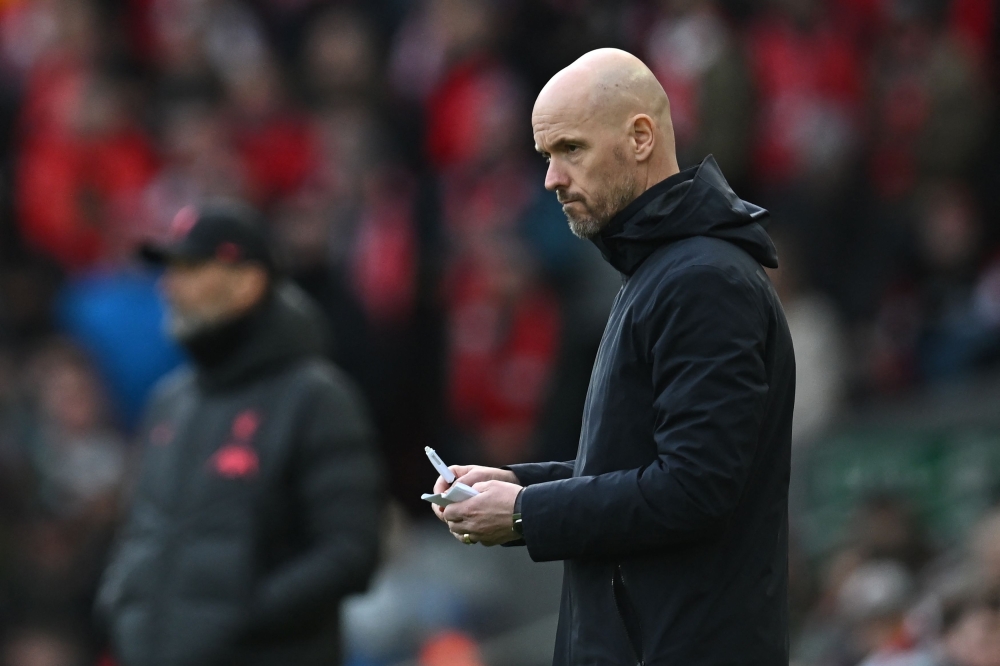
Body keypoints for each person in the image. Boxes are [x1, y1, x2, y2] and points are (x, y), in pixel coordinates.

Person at [432, 49, 795, 665]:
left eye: (571, 149)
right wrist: (521, 484)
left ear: (641, 137)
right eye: (547, 156)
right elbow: (640, 464)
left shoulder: (702, 280)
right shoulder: (663, 270)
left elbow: (694, 489)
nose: (551, 179)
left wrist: (524, 514)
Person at [96, 202, 384, 666]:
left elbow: (350, 552)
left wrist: (240, 619)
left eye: (190, 269)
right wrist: (122, 606)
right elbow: (138, 532)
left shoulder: (315, 398)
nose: (168, 286)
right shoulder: (170, 401)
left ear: (248, 282)